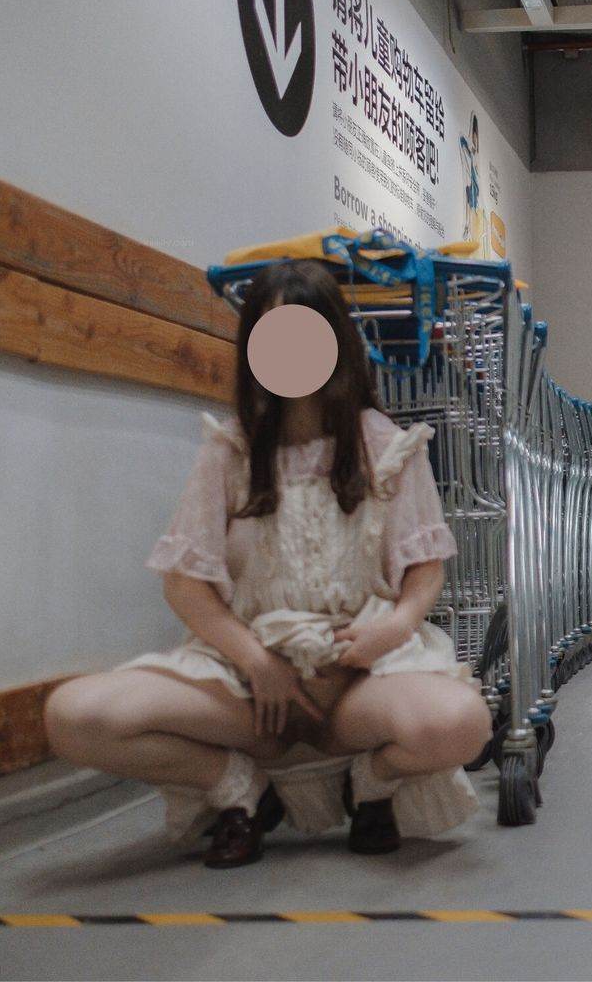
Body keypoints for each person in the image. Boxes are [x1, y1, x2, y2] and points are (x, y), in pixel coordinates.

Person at [44, 260, 492, 868]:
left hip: (358, 683)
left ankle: (371, 783)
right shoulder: (230, 449)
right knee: (75, 716)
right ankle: (239, 788)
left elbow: (425, 569)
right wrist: (257, 662)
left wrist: (392, 628)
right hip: (249, 687)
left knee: (462, 723)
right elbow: (185, 585)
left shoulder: (384, 443)